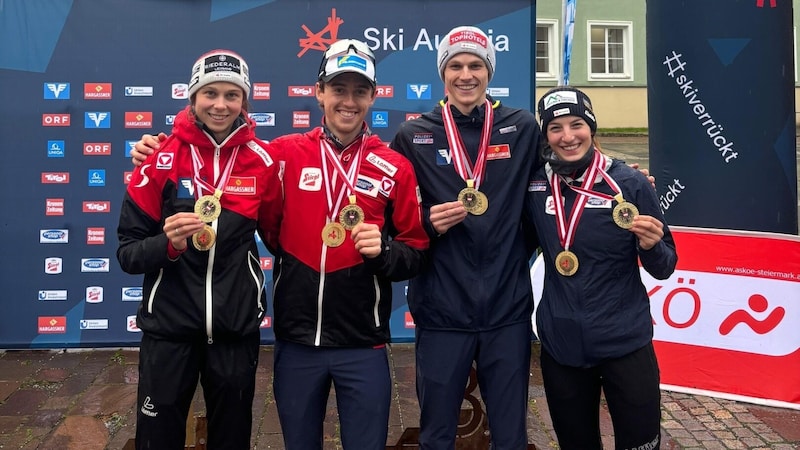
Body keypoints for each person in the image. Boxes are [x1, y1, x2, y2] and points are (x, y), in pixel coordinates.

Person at [130, 39, 430, 450]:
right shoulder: (282, 155)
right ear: (319, 91)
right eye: (338, 89)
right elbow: (270, 229)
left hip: (363, 342)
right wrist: (154, 149)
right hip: (297, 340)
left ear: (374, 96)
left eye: (360, 91)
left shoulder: (395, 166)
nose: (348, 101)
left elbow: (414, 251)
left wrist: (386, 252)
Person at [117, 49, 282, 450]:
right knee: (157, 439)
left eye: (232, 94)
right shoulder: (158, 159)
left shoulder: (262, 162)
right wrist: (168, 245)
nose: (221, 105)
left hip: (233, 331)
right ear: (192, 98)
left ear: (245, 101)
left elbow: (279, 240)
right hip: (168, 332)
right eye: (210, 93)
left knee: (231, 439)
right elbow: (127, 252)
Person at [389, 26, 542, 449]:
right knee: (437, 434)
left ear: (489, 71)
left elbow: (563, 178)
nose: (465, 74)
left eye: (475, 65)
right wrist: (426, 221)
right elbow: (392, 216)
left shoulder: (521, 127)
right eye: (455, 65)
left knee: (510, 435)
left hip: (507, 310)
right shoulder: (413, 135)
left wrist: (622, 178)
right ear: (443, 73)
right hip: (442, 311)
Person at [526, 86, 677, 449]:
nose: (567, 136)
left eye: (576, 124)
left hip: (624, 342)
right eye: (555, 128)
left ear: (591, 128)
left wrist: (652, 245)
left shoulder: (629, 183)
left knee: (639, 444)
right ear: (545, 135)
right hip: (562, 346)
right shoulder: (534, 185)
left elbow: (665, 266)